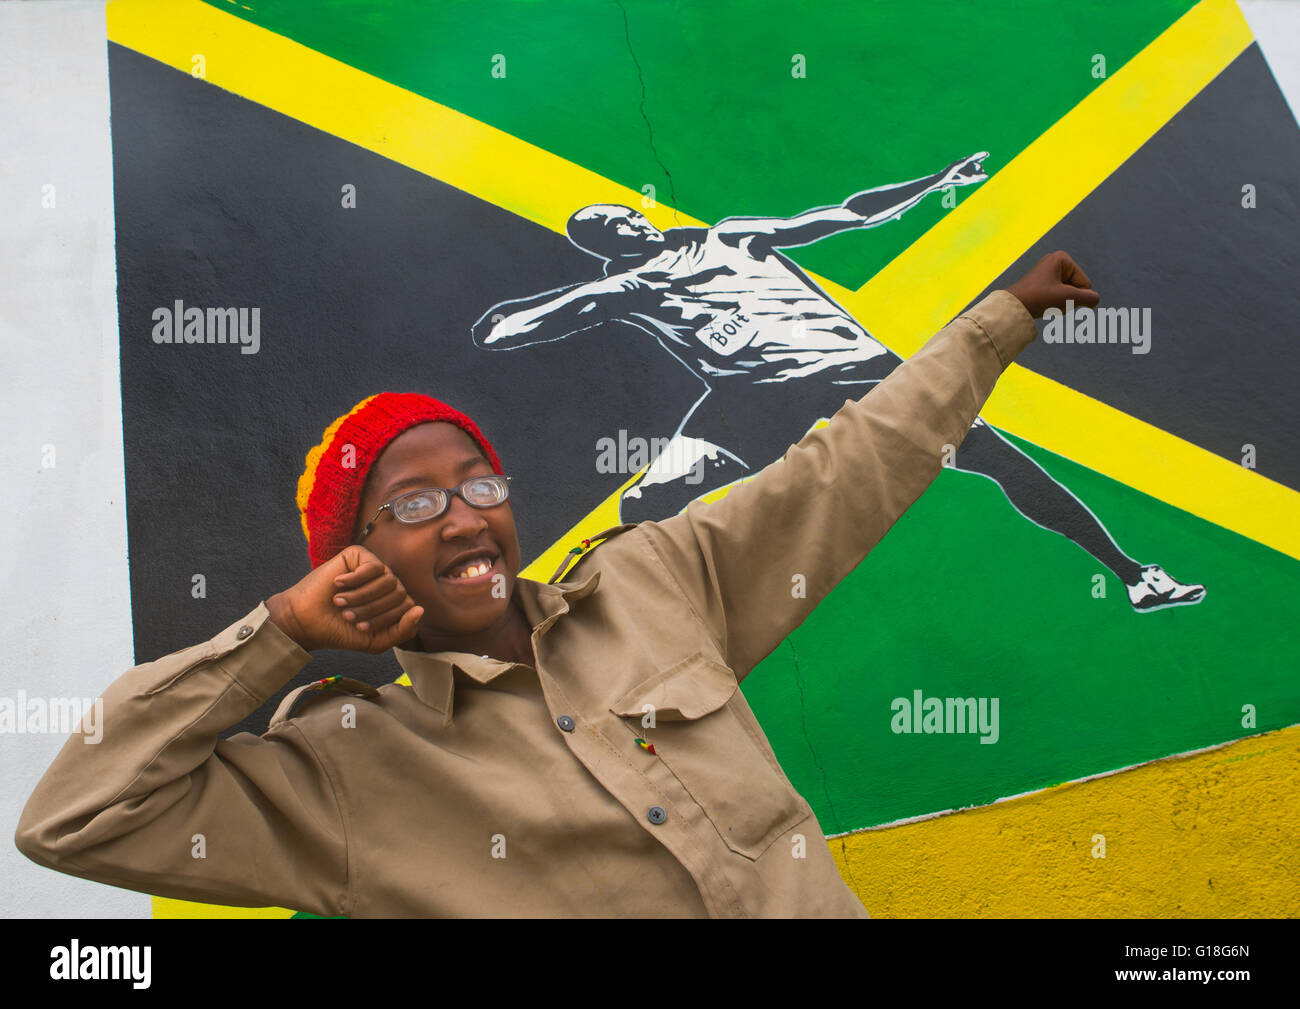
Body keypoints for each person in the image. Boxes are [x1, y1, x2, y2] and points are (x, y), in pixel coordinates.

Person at [17, 252, 1094, 917]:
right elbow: (74, 820)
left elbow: (844, 467)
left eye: (478, 480)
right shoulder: (343, 772)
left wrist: (996, 323)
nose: (469, 513)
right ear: (353, 558)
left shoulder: (654, 580)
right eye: (414, 501)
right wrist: (281, 634)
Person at [473, 162, 1204, 612]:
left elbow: (845, 214)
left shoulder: (731, 235)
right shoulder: (627, 287)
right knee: (644, 499)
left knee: (996, 460)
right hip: (749, 397)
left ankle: (1136, 574)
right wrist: (506, 322)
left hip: (853, 369)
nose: (620, 226)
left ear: (640, 214)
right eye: (603, 230)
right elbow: (530, 323)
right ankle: (620, 621)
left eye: (620, 215)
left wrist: (935, 184)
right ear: (603, 248)